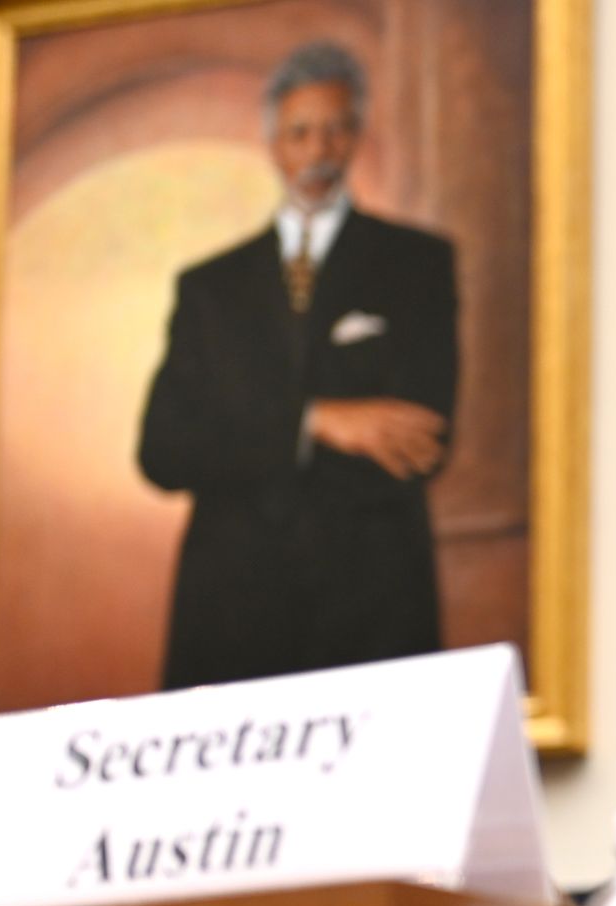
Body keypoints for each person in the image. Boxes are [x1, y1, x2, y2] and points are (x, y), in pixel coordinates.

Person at [137, 41, 458, 689]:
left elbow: (423, 439)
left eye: (336, 130)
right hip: (229, 623)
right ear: (274, 144)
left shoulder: (416, 265)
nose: (319, 151)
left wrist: (242, 434)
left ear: (357, 136)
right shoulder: (210, 289)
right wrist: (316, 423)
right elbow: (166, 450)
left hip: (371, 618)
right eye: (301, 133)